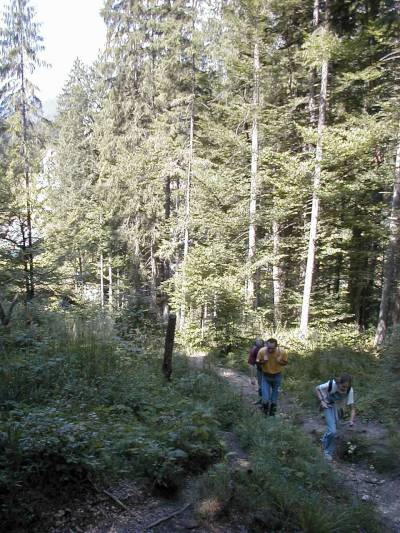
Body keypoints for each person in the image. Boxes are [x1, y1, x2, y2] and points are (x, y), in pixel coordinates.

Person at [315, 374, 356, 461]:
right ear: (338, 383)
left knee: (335, 432)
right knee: (332, 431)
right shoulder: (331, 384)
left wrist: (351, 420)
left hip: (337, 407)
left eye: (346, 387)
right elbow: (317, 388)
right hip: (327, 404)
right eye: (343, 386)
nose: (344, 388)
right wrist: (322, 401)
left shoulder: (349, 390)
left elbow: (352, 408)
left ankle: (325, 445)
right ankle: (326, 452)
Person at [256, 338, 288, 416]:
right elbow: (257, 363)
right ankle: (264, 414)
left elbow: (286, 363)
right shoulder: (262, 351)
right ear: (266, 345)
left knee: (274, 397)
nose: (270, 350)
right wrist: (263, 361)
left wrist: (280, 361)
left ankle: (272, 415)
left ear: (276, 347)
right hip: (266, 376)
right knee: (265, 398)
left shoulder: (282, 352)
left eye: (272, 348)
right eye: (269, 348)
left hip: (277, 376)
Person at [248, 338, 264, 403]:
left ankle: (266, 400)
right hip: (260, 370)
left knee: (265, 385)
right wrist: (252, 378)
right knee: (261, 385)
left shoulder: (269, 348)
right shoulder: (254, 350)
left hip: (272, 370)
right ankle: (261, 400)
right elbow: (251, 364)